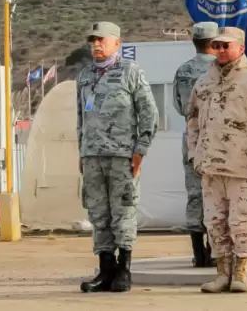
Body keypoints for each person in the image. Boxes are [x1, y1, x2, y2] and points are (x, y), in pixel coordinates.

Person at [187, 26, 247, 293]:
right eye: (217, 45)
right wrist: (195, 154)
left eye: (227, 45)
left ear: (241, 47)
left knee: (240, 220)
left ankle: (241, 271)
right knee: (214, 222)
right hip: (210, 166)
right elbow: (192, 120)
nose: (221, 50)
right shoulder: (203, 81)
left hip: (243, 165)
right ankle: (222, 272)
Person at [76, 21, 158, 293]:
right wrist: (81, 149)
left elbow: (148, 113)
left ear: (117, 43)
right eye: (93, 40)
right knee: (98, 214)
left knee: (123, 212)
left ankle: (124, 269)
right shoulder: (85, 75)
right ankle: (106, 269)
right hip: (92, 157)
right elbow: (80, 117)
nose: (96, 45)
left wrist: (140, 149)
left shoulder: (130, 72)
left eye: (102, 40)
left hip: (122, 155)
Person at [172, 21, 219, 267]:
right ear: (214, 42)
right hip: (218, 137)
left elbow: (179, 107)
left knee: (194, 193)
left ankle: (198, 253)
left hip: (191, 138)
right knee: (216, 193)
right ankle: (214, 249)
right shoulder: (221, 69)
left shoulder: (183, 71)